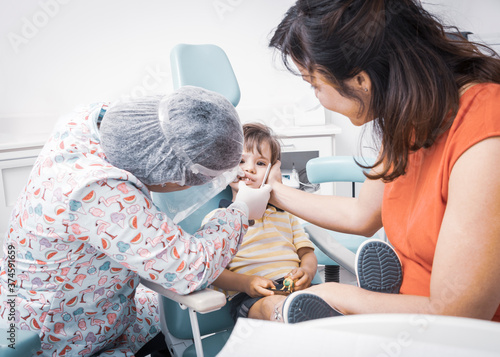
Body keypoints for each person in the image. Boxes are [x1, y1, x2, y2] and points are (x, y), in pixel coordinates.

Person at [264, 0, 500, 323]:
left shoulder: (484, 130)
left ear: (361, 80)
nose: (316, 96)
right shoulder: (410, 117)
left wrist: (335, 296)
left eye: (314, 84)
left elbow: (456, 314)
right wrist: (273, 191)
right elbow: (361, 214)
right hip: (408, 319)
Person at [0, 86, 272, 356]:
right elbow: (189, 268)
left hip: (76, 298)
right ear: (167, 172)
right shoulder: (97, 189)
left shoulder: (94, 121)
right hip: (53, 335)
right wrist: (241, 211)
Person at [207, 123, 318, 321]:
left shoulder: (286, 215)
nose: (249, 168)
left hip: (296, 290)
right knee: (272, 306)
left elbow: (306, 253)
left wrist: (307, 272)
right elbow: (214, 272)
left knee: (335, 292)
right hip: (252, 297)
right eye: (240, 161)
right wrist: (246, 283)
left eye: (260, 163)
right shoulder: (218, 219)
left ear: (272, 170)